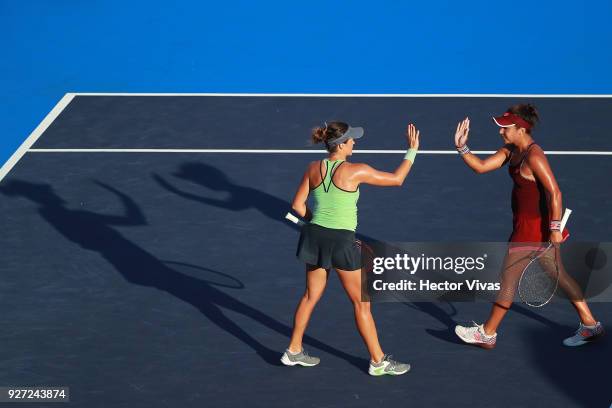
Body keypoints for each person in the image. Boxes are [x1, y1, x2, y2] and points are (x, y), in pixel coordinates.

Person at [453, 104, 604, 348]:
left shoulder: (535, 156)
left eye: (505, 128)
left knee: (508, 277)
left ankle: (488, 333)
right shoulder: (511, 150)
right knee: (558, 274)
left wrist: (554, 228)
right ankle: (590, 324)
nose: (501, 132)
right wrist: (462, 147)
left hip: (533, 229)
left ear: (521, 129)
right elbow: (480, 167)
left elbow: (555, 192)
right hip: (527, 225)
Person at [281, 121, 420, 375]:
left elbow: (298, 206)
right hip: (341, 242)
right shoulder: (357, 171)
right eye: (352, 140)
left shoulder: (313, 168)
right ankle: (378, 361)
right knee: (361, 304)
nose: (354, 142)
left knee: (310, 297)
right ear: (342, 144)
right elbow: (397, 179)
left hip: (314, 237)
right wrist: (412, 150)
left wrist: (317, 222)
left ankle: (293, 350)